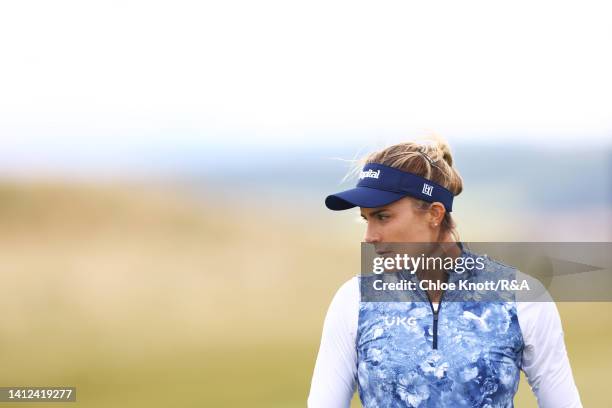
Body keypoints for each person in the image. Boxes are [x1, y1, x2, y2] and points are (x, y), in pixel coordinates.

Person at [307, 139, 582, 407]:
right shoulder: (354, 300)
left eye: (383, 216)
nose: (369, 236)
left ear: (435, 214)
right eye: (366, 219)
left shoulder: (522, 298)